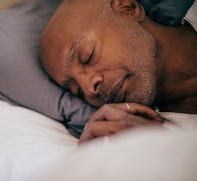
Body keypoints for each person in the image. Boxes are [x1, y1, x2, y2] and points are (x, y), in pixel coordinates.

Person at [39, 0, 197, 143]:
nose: (89, 89)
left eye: (88, 56)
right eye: (78, 91)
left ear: (128, 9)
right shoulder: (159, 140)